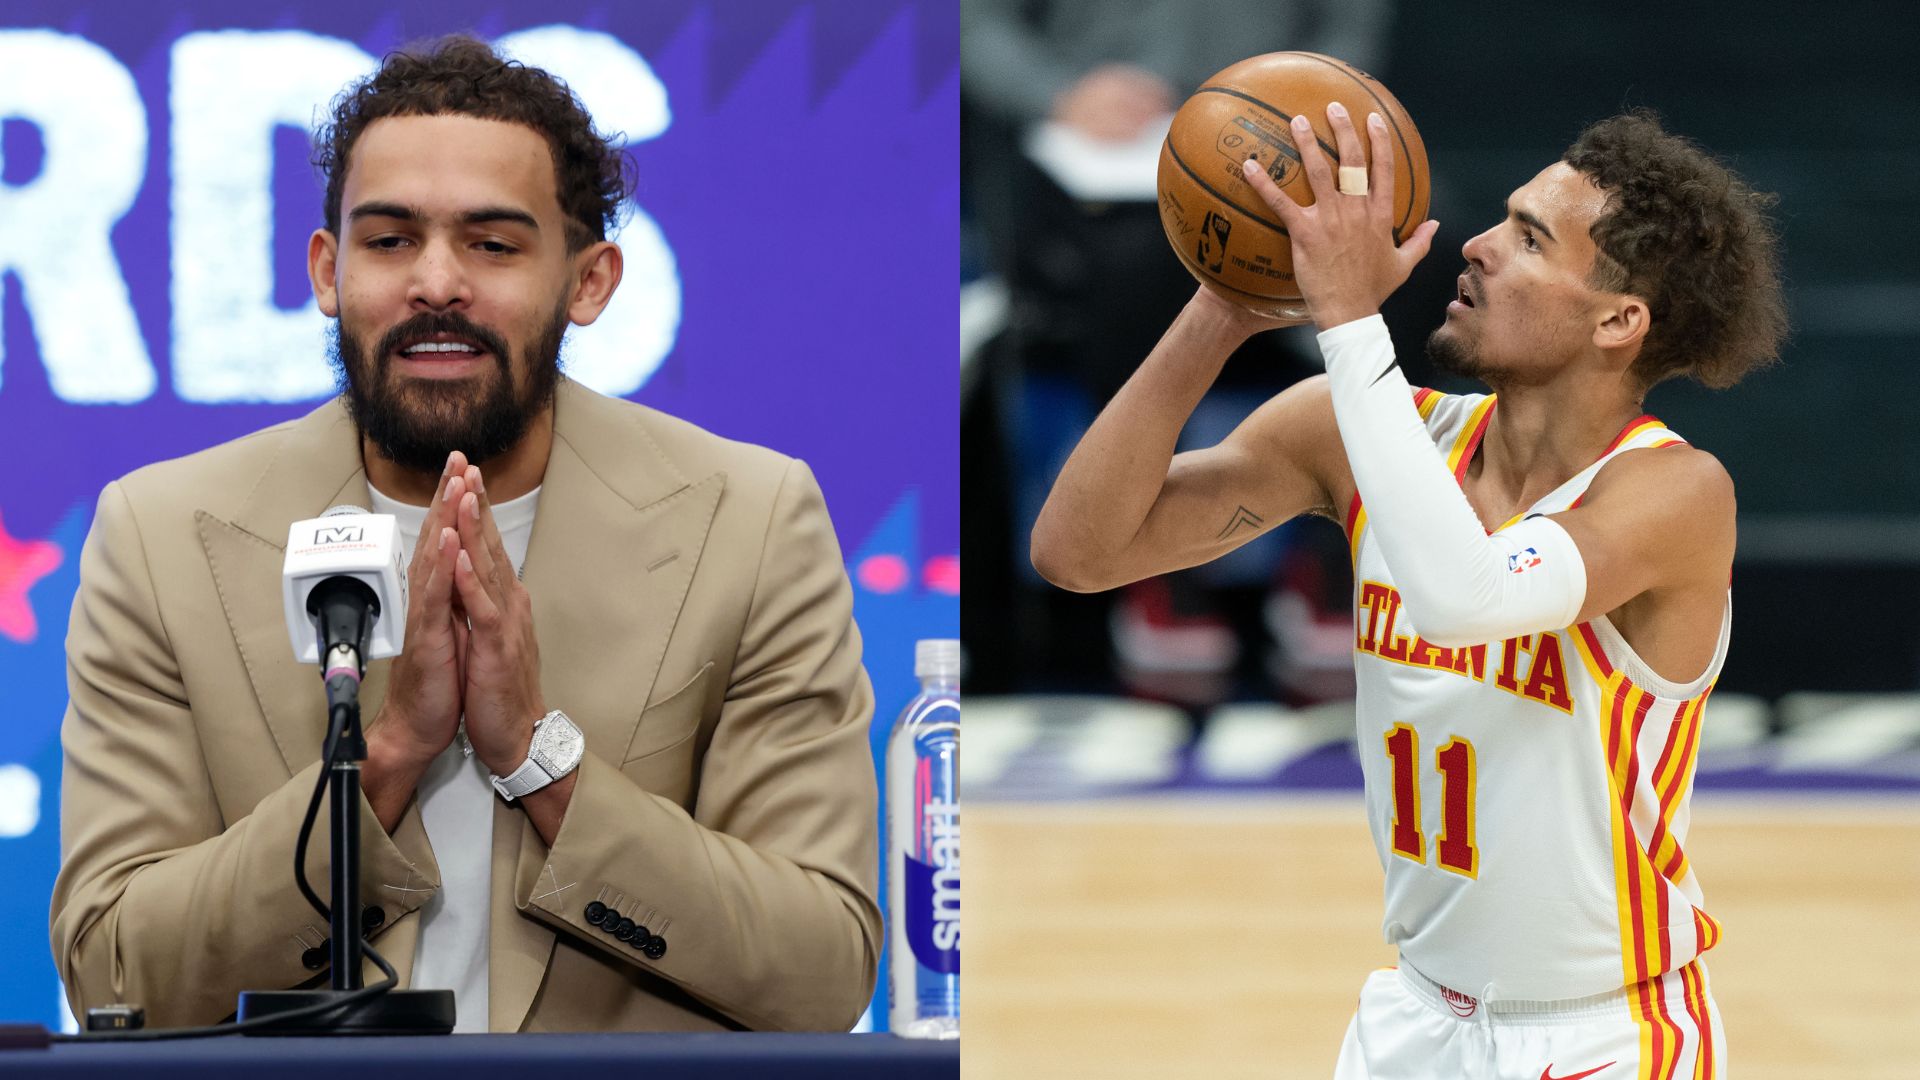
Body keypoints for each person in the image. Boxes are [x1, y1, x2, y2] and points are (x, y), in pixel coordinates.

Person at [50, 34, 880, 1034]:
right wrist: (389, 757)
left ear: (590, 282)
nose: (437, 283)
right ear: (327, 269)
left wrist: (539, 755)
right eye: (390, 240)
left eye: (493, 244)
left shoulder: (749, 521)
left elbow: (824, 972)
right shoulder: (162, 536)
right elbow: (111, 971)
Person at [1031, 105, 1785, 1077]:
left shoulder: (1672, 494)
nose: (1474, 247)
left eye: (1526, 238)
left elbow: (1464, 596)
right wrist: (1224, 307)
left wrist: (1349, 322)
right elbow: (1077, 553)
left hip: (1606, 1033)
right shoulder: (1362, 437)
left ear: (1617, 319)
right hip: (1413, 1020)